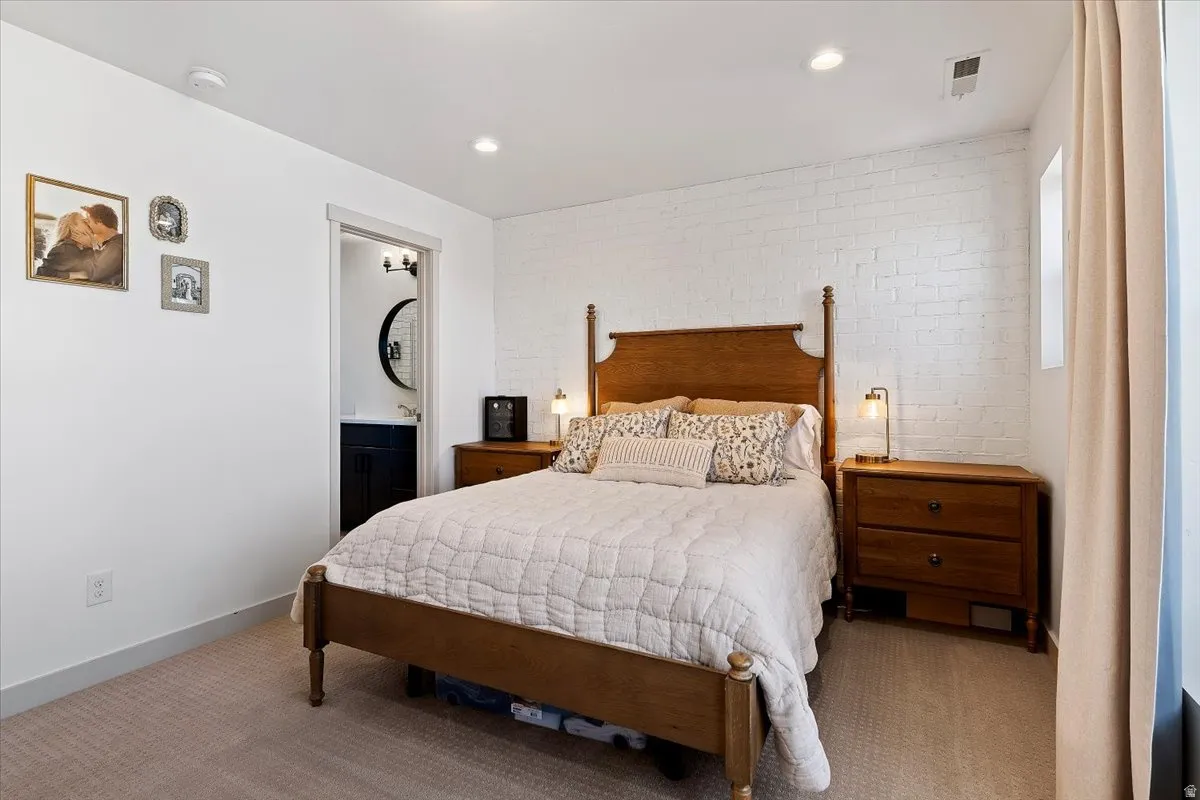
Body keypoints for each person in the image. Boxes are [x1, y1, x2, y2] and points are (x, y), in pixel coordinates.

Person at [36, 211, 96, 279]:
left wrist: (90, 245)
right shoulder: (65, 249)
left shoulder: (83, 248)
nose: (88, 223)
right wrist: (75, 275)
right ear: (73, 227)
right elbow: (42, 273)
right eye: (84, 221)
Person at [81, 203, 123, 285]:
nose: (86, 225)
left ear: (99, 222)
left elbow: (94, 274)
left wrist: (88, 246)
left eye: (88, 221)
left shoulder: (116, 246)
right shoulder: (110, 245)